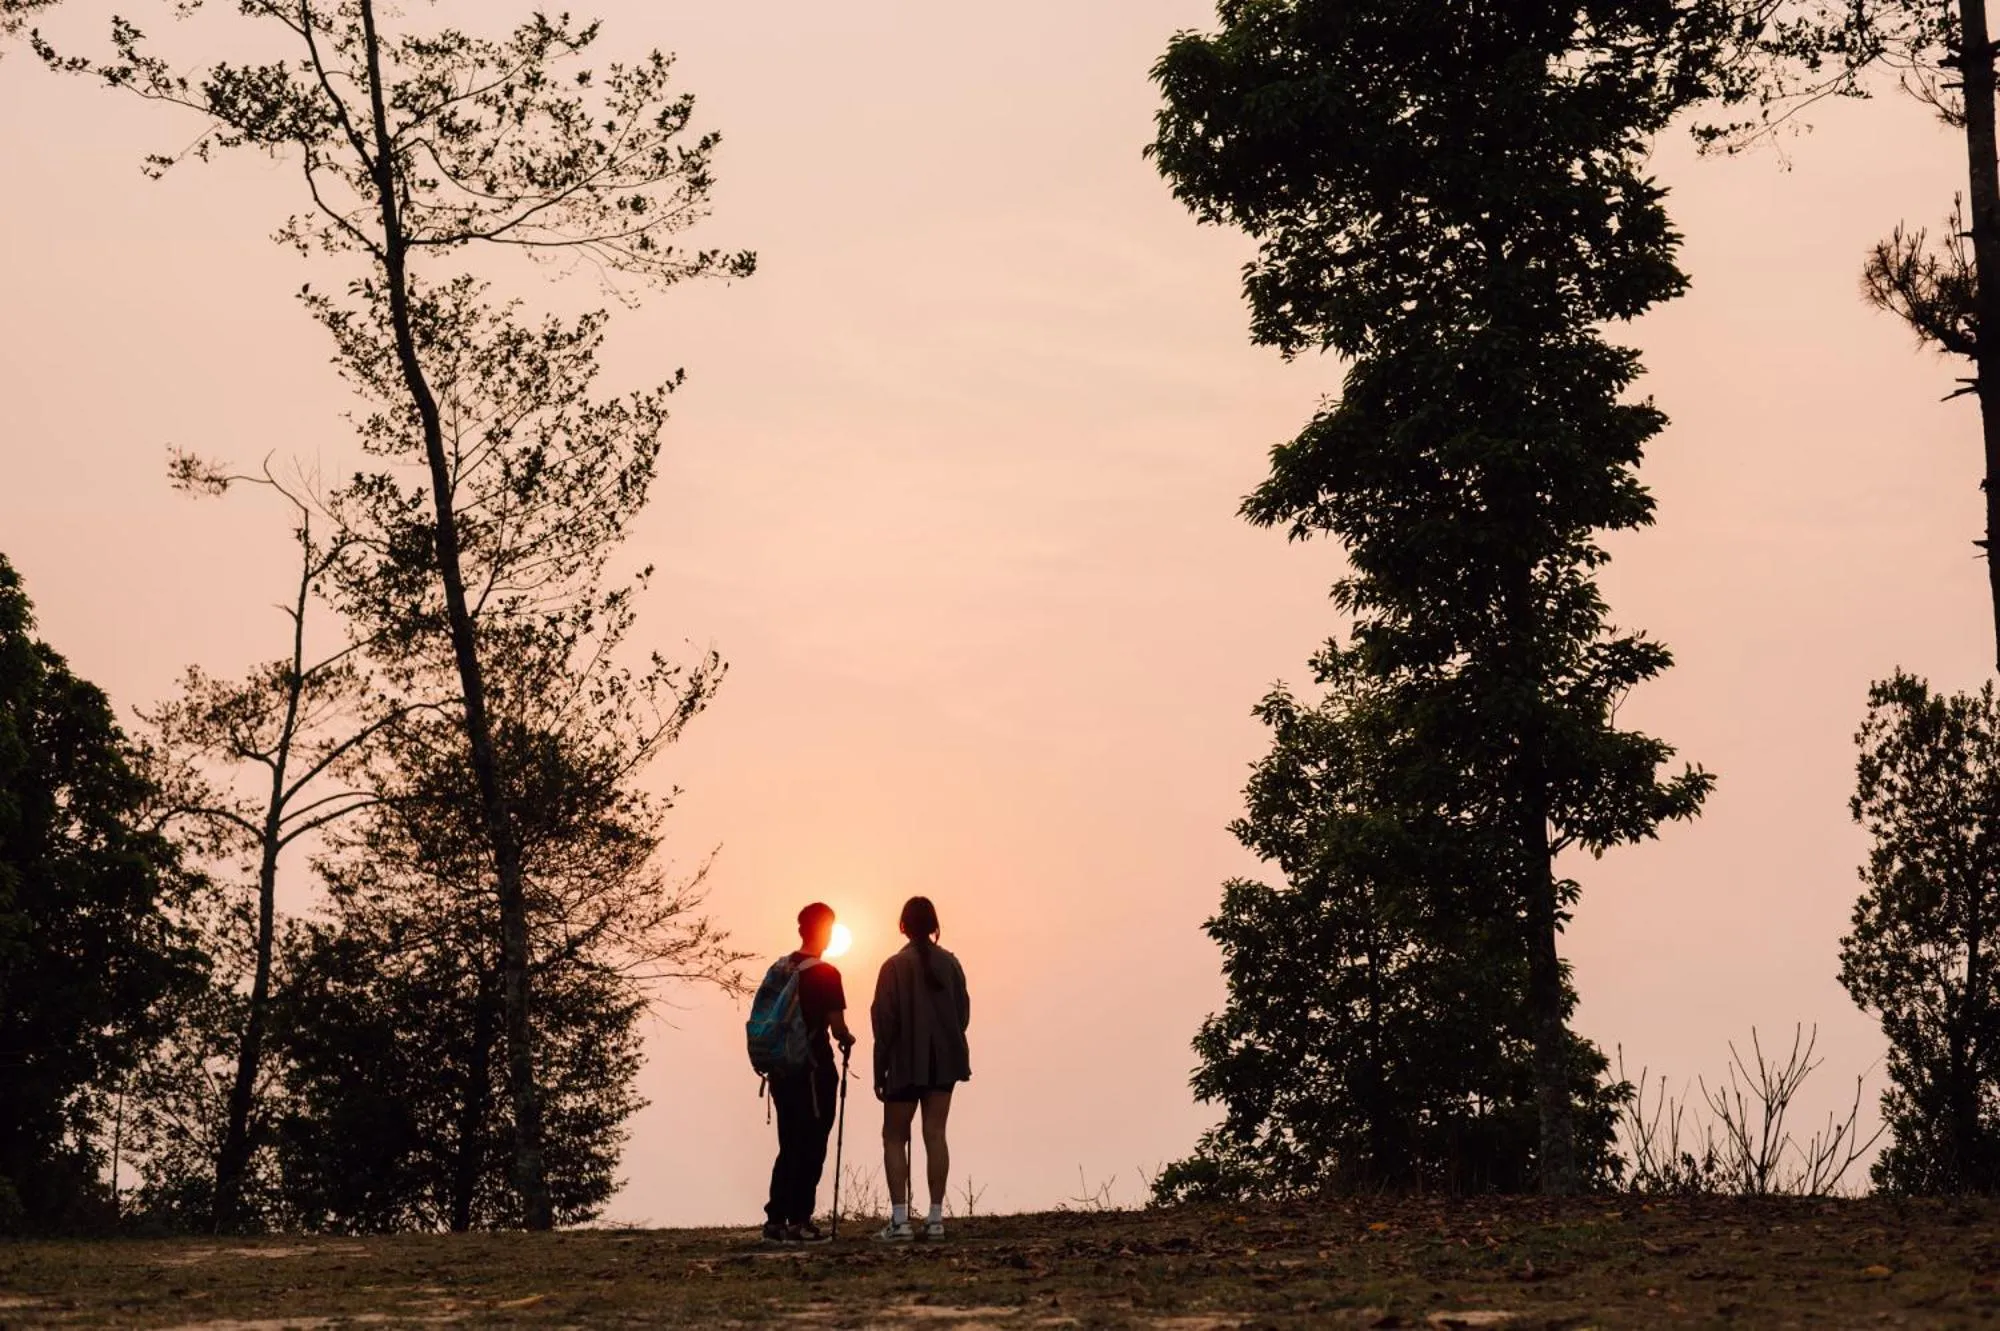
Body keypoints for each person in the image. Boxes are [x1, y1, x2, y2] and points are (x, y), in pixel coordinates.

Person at [870, 896, 971, 1242]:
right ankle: (936, 1217)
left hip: (903, 1064)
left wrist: (878, 1068)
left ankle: (900, 1220)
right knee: (936, 1134)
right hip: (943, 1063)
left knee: (895, 1137)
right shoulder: (952, 965)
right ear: (934, 926)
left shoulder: (893, 967)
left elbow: (883, 1024)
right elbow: (963, 1016)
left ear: (903, 926)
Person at [763, 901, 855, 1245]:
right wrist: (848, 1039)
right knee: (813, 1143)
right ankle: (800, 1220)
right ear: (825, 931)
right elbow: (838, 1028)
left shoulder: (781, 968)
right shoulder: (826, 974)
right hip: (814, 1071)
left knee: (788, 1143)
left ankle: (775, 1219)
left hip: (781, 1071)